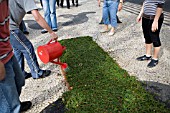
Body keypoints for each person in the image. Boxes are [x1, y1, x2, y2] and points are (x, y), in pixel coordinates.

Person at [9, 0, 58, 79]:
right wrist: (51, 32)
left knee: (18, 50)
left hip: (5, 27)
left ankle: (20, 74)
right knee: (27, 48)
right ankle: (37, 72)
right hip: (10, 28)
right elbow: (37, 17)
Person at [0, 0, 31, 112]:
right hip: (1, 59)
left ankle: (15, 103)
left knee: (19, 80)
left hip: (7, 50)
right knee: (8, 103)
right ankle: (13, 107)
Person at [136, 0, 165, 68]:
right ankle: (147, 55)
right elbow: (145, 3)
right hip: (145, 17)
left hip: (154, 18)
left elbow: (160, 6)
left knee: (154, 37)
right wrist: (140, 14)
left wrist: (155, 21)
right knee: (147, 36)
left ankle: (155, 59)